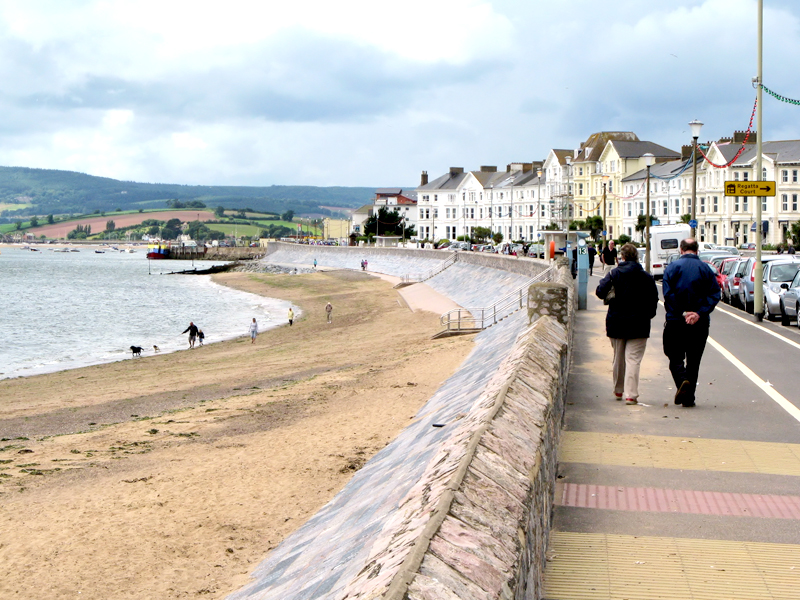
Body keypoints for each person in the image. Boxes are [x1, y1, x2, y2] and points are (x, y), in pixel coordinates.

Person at [595, 243, 659, 405]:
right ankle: (631, 394)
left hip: (616, 321)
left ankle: (618, 389)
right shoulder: (646, 277)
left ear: (622, 257)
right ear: (636, 257)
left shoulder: (614, 274)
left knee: (618, 358)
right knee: (633, 359)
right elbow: (653, 299)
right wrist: (649, 315)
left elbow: (600, 292)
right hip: (639, 322)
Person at [662, 238, 721, 407]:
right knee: (694, 361)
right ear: (697, 250)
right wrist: (698, 313)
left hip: (676, 320)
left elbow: (668, 294)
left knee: (674, 356)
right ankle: (689, 398)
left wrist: (682, 312)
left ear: (681, 250)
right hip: (699, 322)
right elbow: (715, 294)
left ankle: (682, 380)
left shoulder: (672, 268)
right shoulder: (706, 269)